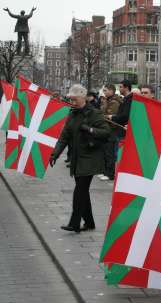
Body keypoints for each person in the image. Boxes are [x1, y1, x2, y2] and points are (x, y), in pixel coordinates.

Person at [49, 84, 111, 233]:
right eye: (70, 99)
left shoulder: (94, 113)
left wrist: (89, 129)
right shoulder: (72, 114)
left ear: (83, 98)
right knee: (83, 191)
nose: (72, 102)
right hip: (78, 158)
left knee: (79, 191)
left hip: (91, 158)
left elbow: (106, 132)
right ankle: (89, 223)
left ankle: (74, 222)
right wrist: (55, 154)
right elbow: (64, 137)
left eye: (74, 99)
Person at [99, 84, 122, 181]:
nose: (104, 93)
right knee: (106, 151)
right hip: (107, 129)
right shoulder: (108, 100)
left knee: (110, 152)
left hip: (112, 130)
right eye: (104, 91)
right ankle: (106, 171)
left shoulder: (114, 102)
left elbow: (106, 114)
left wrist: (103, 103)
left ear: (112, 91)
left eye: (106, 90)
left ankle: (110, 174)